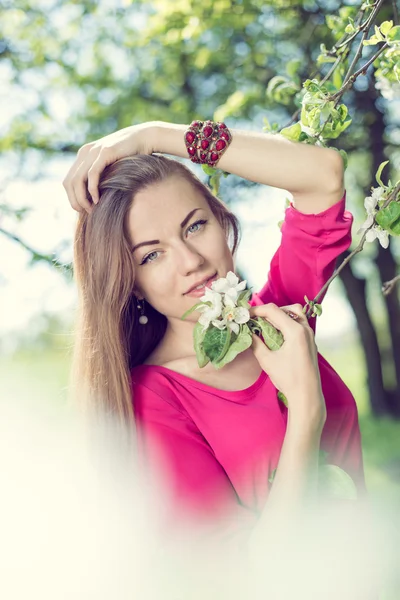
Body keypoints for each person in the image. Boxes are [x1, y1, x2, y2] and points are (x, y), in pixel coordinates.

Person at [63, 119, 367, 554]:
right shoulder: (152, 399)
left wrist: (154, 136)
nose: (190, 261)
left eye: (194, 226)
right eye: (151, 255)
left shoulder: (280, 321)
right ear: (128, 282)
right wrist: (305, 409)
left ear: (223, 222)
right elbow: (251, 577)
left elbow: (323, 176)